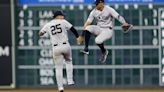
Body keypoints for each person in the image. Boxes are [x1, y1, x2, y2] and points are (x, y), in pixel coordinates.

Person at [39, 10, 81, 92]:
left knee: (58, 68)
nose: (63, 16)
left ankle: (60, 88)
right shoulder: (63, 21)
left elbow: (40, 33)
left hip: (56, 48)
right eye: (62, 15)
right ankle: (70, 80)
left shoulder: (48, 24)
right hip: (65, 45)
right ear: (58, 16)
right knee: (69, 61)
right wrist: (77, 37)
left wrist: (42, 33)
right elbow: (73, 29)